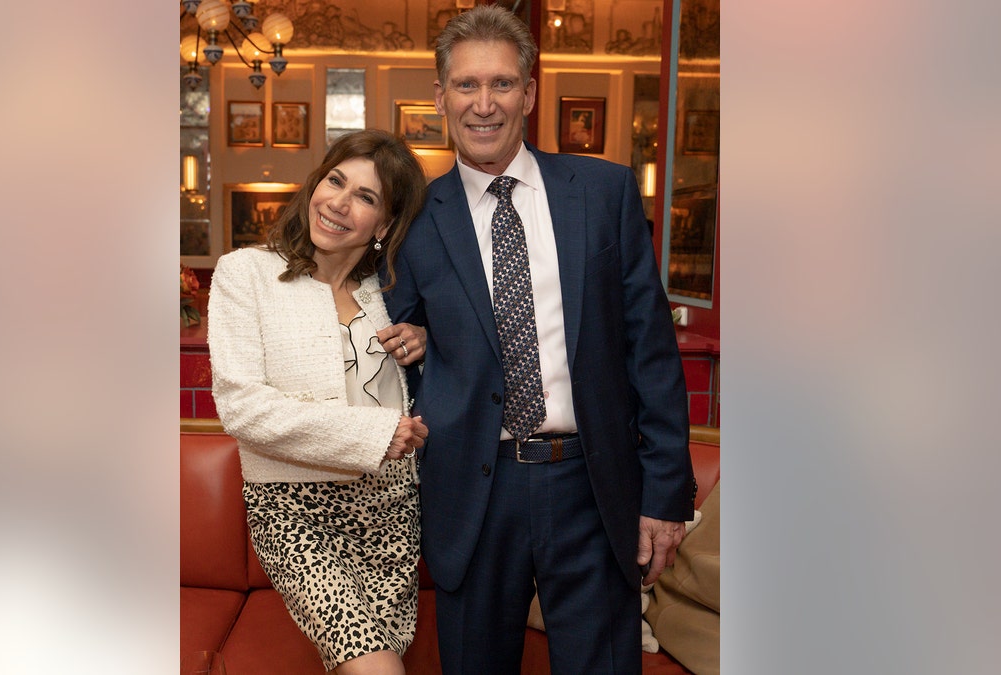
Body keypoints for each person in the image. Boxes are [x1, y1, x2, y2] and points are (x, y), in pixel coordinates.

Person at [383, 6, 694, 673]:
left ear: (528, 92)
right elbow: (382, 352)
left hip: (593, 484)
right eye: (466, 85)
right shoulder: (414, 220)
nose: (483, 103)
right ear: (441, 97)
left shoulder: (604, 191)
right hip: (472, 493)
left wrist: (665, 496)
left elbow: (650, 350)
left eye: (501, 84)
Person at [207, 129, 430, 675]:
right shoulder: (246, 273)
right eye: (335, 180)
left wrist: (424, 347)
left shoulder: (390, 292)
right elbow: (242, 407)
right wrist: (375, 435)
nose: (338, 202)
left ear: (384, 224)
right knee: (374, 668)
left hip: (392, 512)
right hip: (293, 510)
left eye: (366, 197)